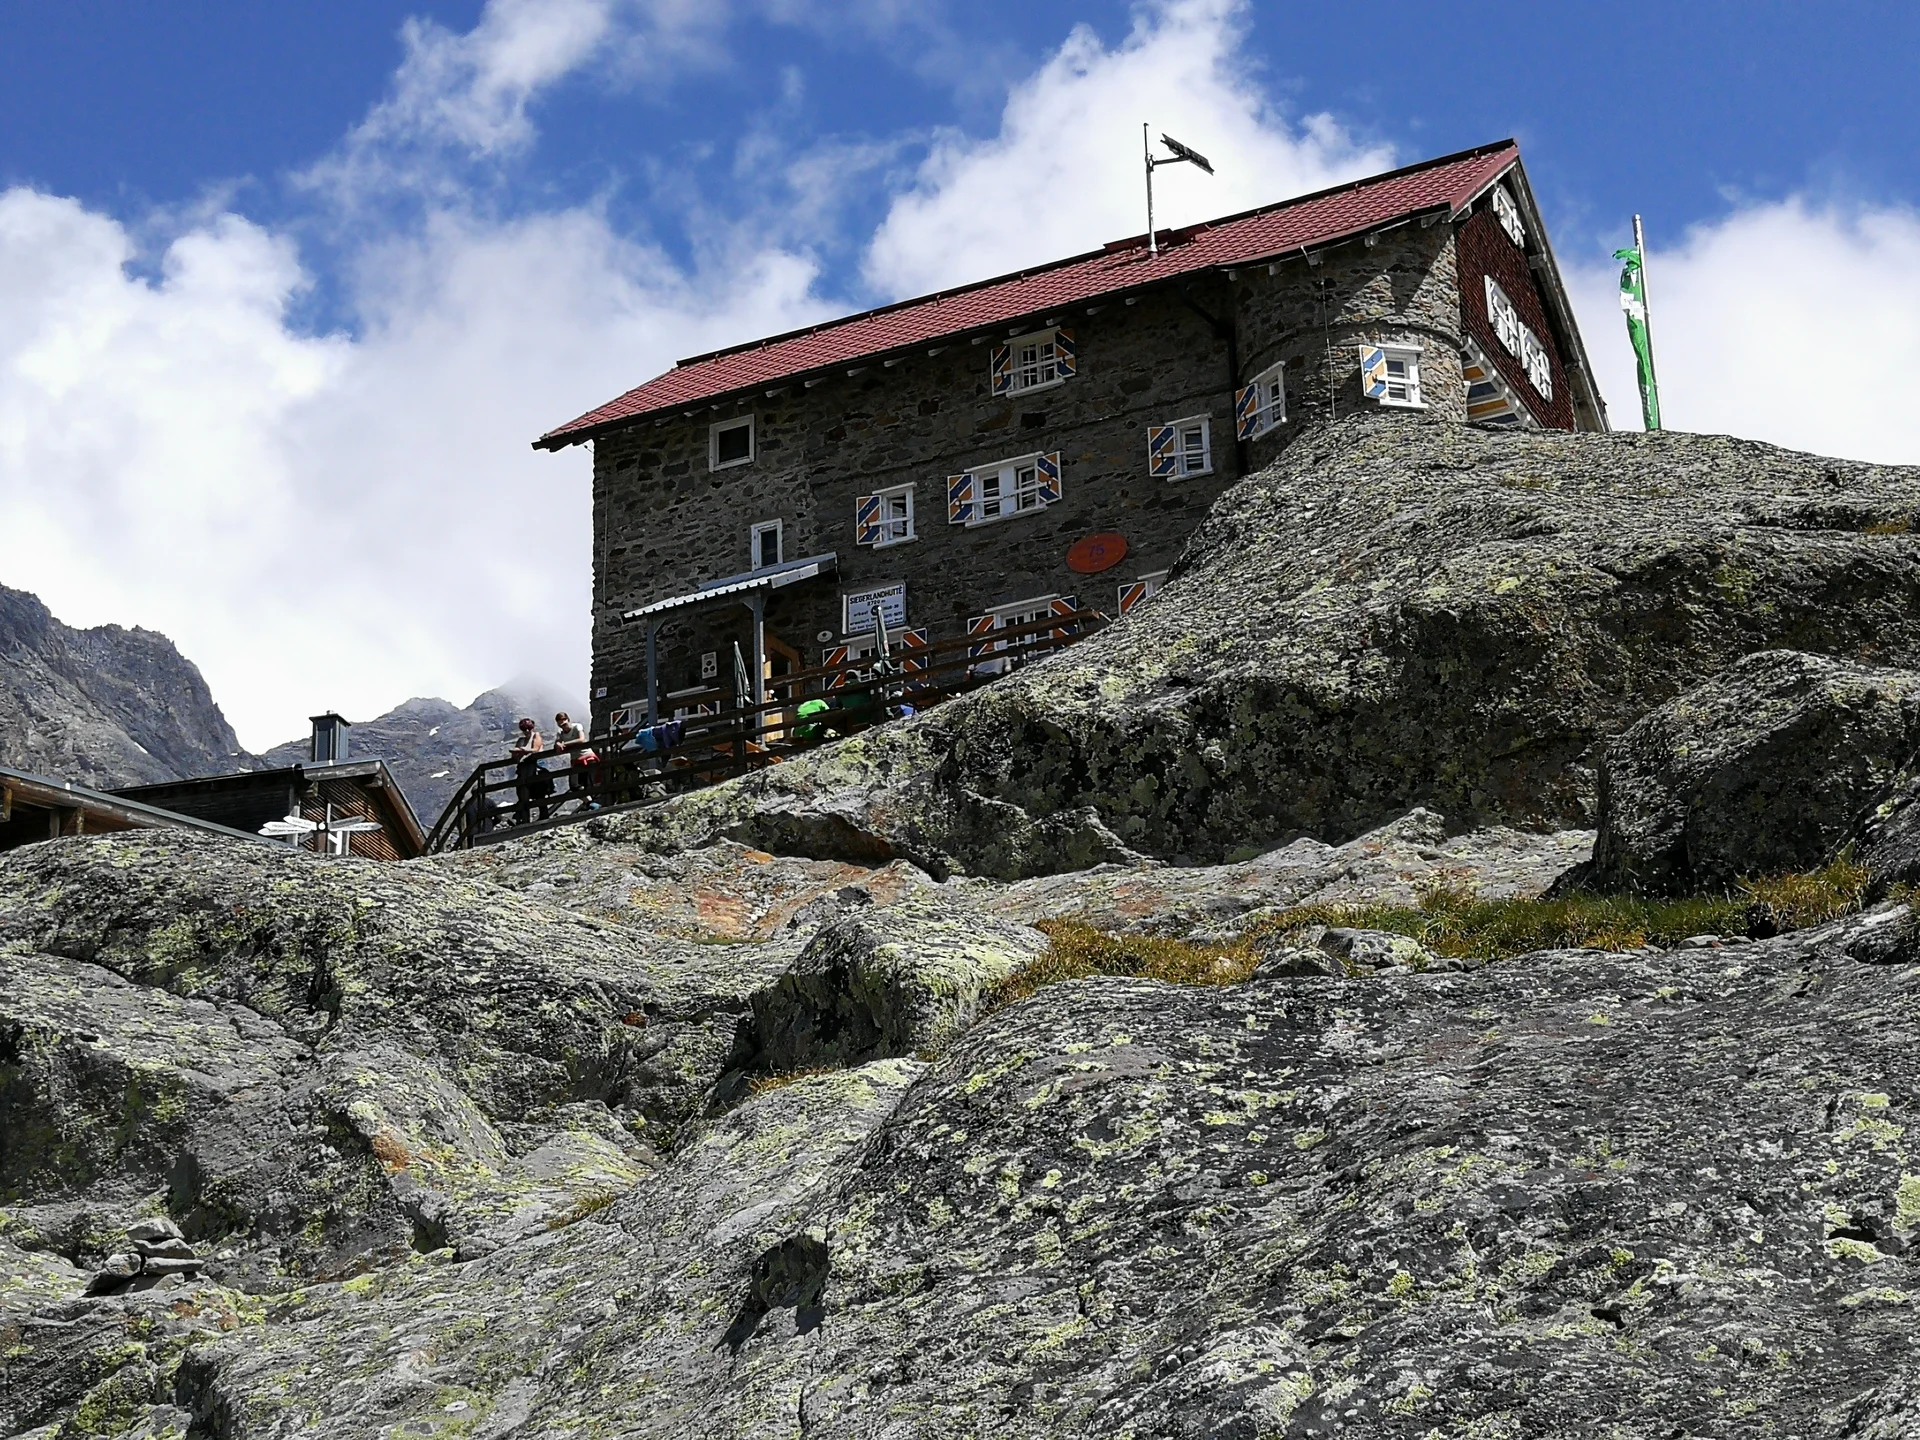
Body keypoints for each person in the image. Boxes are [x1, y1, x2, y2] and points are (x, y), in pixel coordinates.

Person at [510, 717, 551, 824]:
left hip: (537, 768)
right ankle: (525, 820)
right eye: (524, 729)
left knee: (539, 794)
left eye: (528, 728)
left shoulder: (536, 735)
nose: (527, 731)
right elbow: (516, 755)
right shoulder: (521, 740)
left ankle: (544, 818)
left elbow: (536, 749)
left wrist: (522, 750)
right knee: (524, 795)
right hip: (524, 770)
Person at [553, 711, 597, 810]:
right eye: (560, 721)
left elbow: (582, 739)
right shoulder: (560, 733)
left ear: (568, 719)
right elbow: (557, 744)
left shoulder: (577, 726)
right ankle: (590, 803)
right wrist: (558, 744)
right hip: (576, 761)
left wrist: (565, 744)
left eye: (564, 720)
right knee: (574, 785)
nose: (562, 723)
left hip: (588, 757)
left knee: (588, 785)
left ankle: (591, 806)